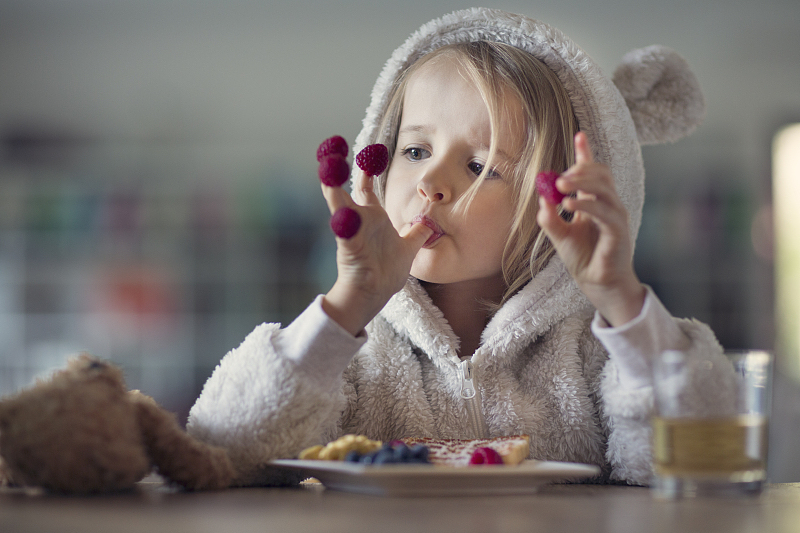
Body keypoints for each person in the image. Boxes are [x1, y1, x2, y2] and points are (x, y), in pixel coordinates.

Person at [187, 8, 733, 486]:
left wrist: (620, 298)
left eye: (479, 166)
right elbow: (222, 451)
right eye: (416, 149)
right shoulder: (353, 357)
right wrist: (348, 304)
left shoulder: (594, 355)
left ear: (562, 199)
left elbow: (705, 459)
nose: (431, 184)